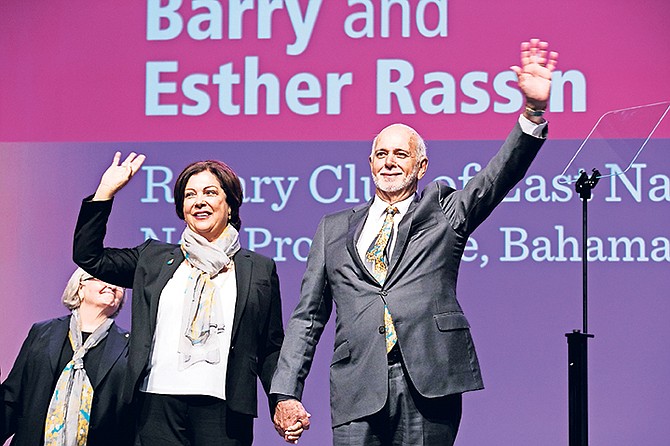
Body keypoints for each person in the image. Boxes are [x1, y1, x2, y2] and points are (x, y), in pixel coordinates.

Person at [270, 39, 559, 445]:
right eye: (381, 154)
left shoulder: (444, 212)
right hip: (357, 386)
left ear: (420, 165)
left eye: (401, 154)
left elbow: (497, 177)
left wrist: (532, 113)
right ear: (370, 163)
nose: (389, 161)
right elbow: (308, 316)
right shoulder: (331, 229)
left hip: (429, 380)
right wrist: (286, 392)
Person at [72, 158, 289, 445]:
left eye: (210, 193)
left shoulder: (258, 268)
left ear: (230, 205)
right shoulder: (153, 258)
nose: (199, 201)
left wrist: (282, 400)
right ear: (182, 209)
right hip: (155, 404)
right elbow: (89, 257)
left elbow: (271, 345)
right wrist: (105, 192)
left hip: (224, 408)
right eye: (190, 195)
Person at [1, 267, 131, 446]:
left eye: (120, 284)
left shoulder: (130, 346)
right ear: (80, 287)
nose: (113, 286)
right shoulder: (42, 332)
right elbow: (13, 395)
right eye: (103, 278)